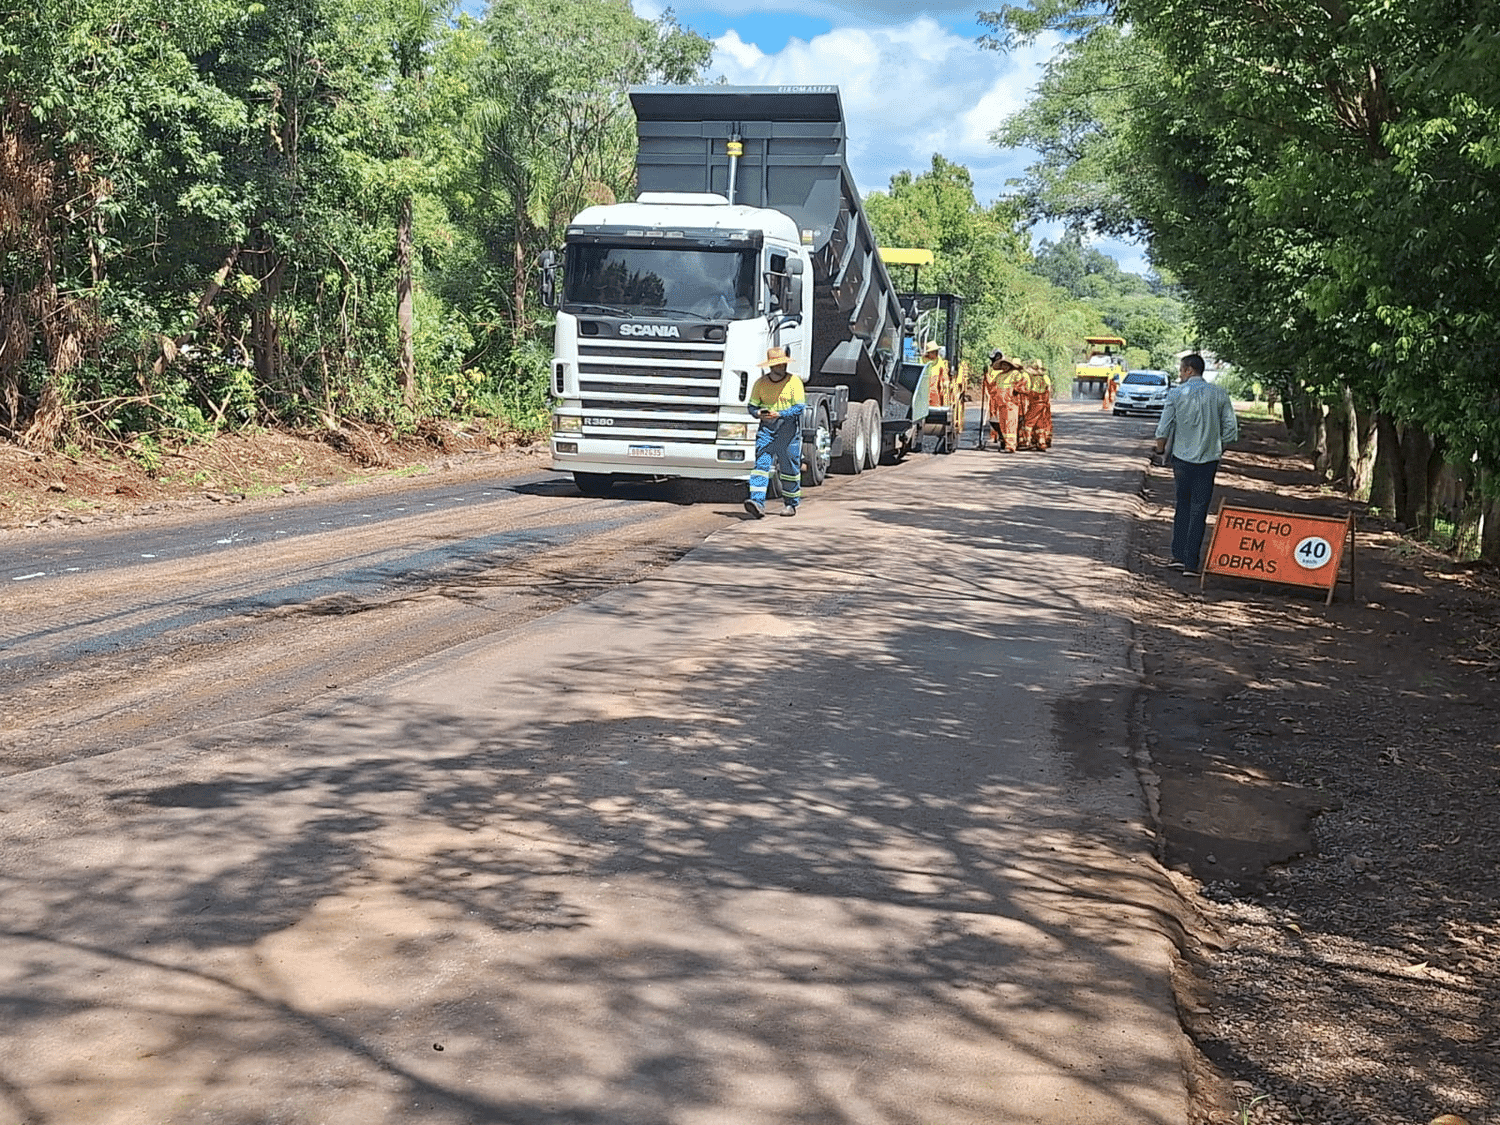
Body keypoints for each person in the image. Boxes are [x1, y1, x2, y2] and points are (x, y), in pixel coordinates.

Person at [1153, 352, 1239, 574]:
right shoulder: (1220, 394)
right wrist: (1217, 446)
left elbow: (1164, 427)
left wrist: (1160, 450)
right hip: (1208, 461)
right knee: (1200, 509)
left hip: (1181, 459)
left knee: (1182, 505)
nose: (1180, 375)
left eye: (1181, 370)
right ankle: (1192, 562)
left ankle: (1177, 556)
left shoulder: (1176, 394)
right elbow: (1230, 430)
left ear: (1189, 370)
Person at [745, 345, 806, 518]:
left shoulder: (794, 382)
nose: (782, 367)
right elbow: (752, 406)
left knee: (788, 466)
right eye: (778, 364)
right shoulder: (761, 383)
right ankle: (757, 502)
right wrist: (758, 413)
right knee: (761, 465)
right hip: (767, 429)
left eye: (783, 364)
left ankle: (791, 503)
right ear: (771, 366)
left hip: (788, 430)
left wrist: (780, 414)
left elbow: (800, 408)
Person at [982, 351, 1023, 451]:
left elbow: (1022, 384)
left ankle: (1011, 445)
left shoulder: (1015, 373)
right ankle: (1006, 442)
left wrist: (1016, 390)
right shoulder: (999, 376)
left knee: (1010, 424)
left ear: (1009, 365)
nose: (1004, 367)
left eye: (1006, 364)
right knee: (1003, 424)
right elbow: (992, 388)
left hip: (1011, 403)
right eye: (1003, 365)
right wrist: (986, 376)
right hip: (1001, 404)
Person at [1017, 360, 1053, 450]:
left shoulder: (1031, 378)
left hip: (1035, 403)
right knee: (1040, 423)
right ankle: (1041, 443)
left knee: (1028, 422)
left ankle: (1026, 442)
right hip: (1044, 404)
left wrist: (1020, 390)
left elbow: (1028, 389)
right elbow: (1048, 388)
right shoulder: (1045, 377)